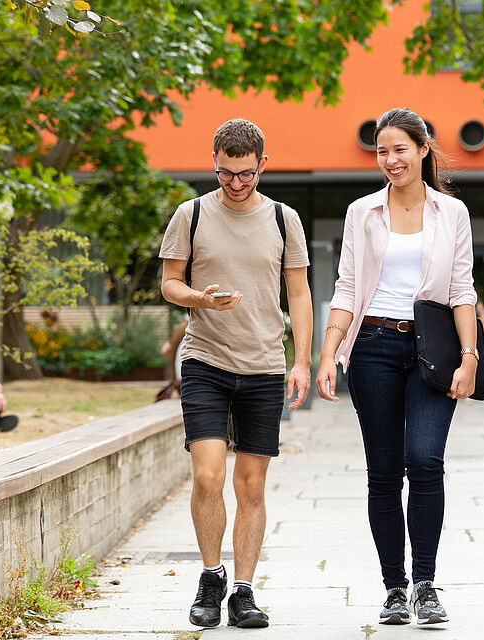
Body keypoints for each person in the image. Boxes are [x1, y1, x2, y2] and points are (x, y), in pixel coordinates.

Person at [315, 107, 478, 626]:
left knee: (426, 461)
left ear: (423, 148)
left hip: (433, 349)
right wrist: (328, 352)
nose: (390, 160)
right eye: (382, 151)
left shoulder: (452, 213)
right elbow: (345, 285)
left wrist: (470, 356)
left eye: (399, 149)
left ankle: (426, 584)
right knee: (383, 472)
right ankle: (394, 587)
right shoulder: (361, 212)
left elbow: (461, 289)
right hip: (373, 347)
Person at [159, 118, 313, 629]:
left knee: (251, 486)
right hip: (205, 361)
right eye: (227, 174)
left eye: (246, 174)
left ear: (263, 164)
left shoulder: (285, 220)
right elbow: (169, 285)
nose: (237, 184)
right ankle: (210, 576)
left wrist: (303, 360)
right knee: (207, 476)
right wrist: (201, 298)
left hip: (264, 366)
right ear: (215, 163)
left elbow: (299, 294)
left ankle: (244, 592)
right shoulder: (192, 215)